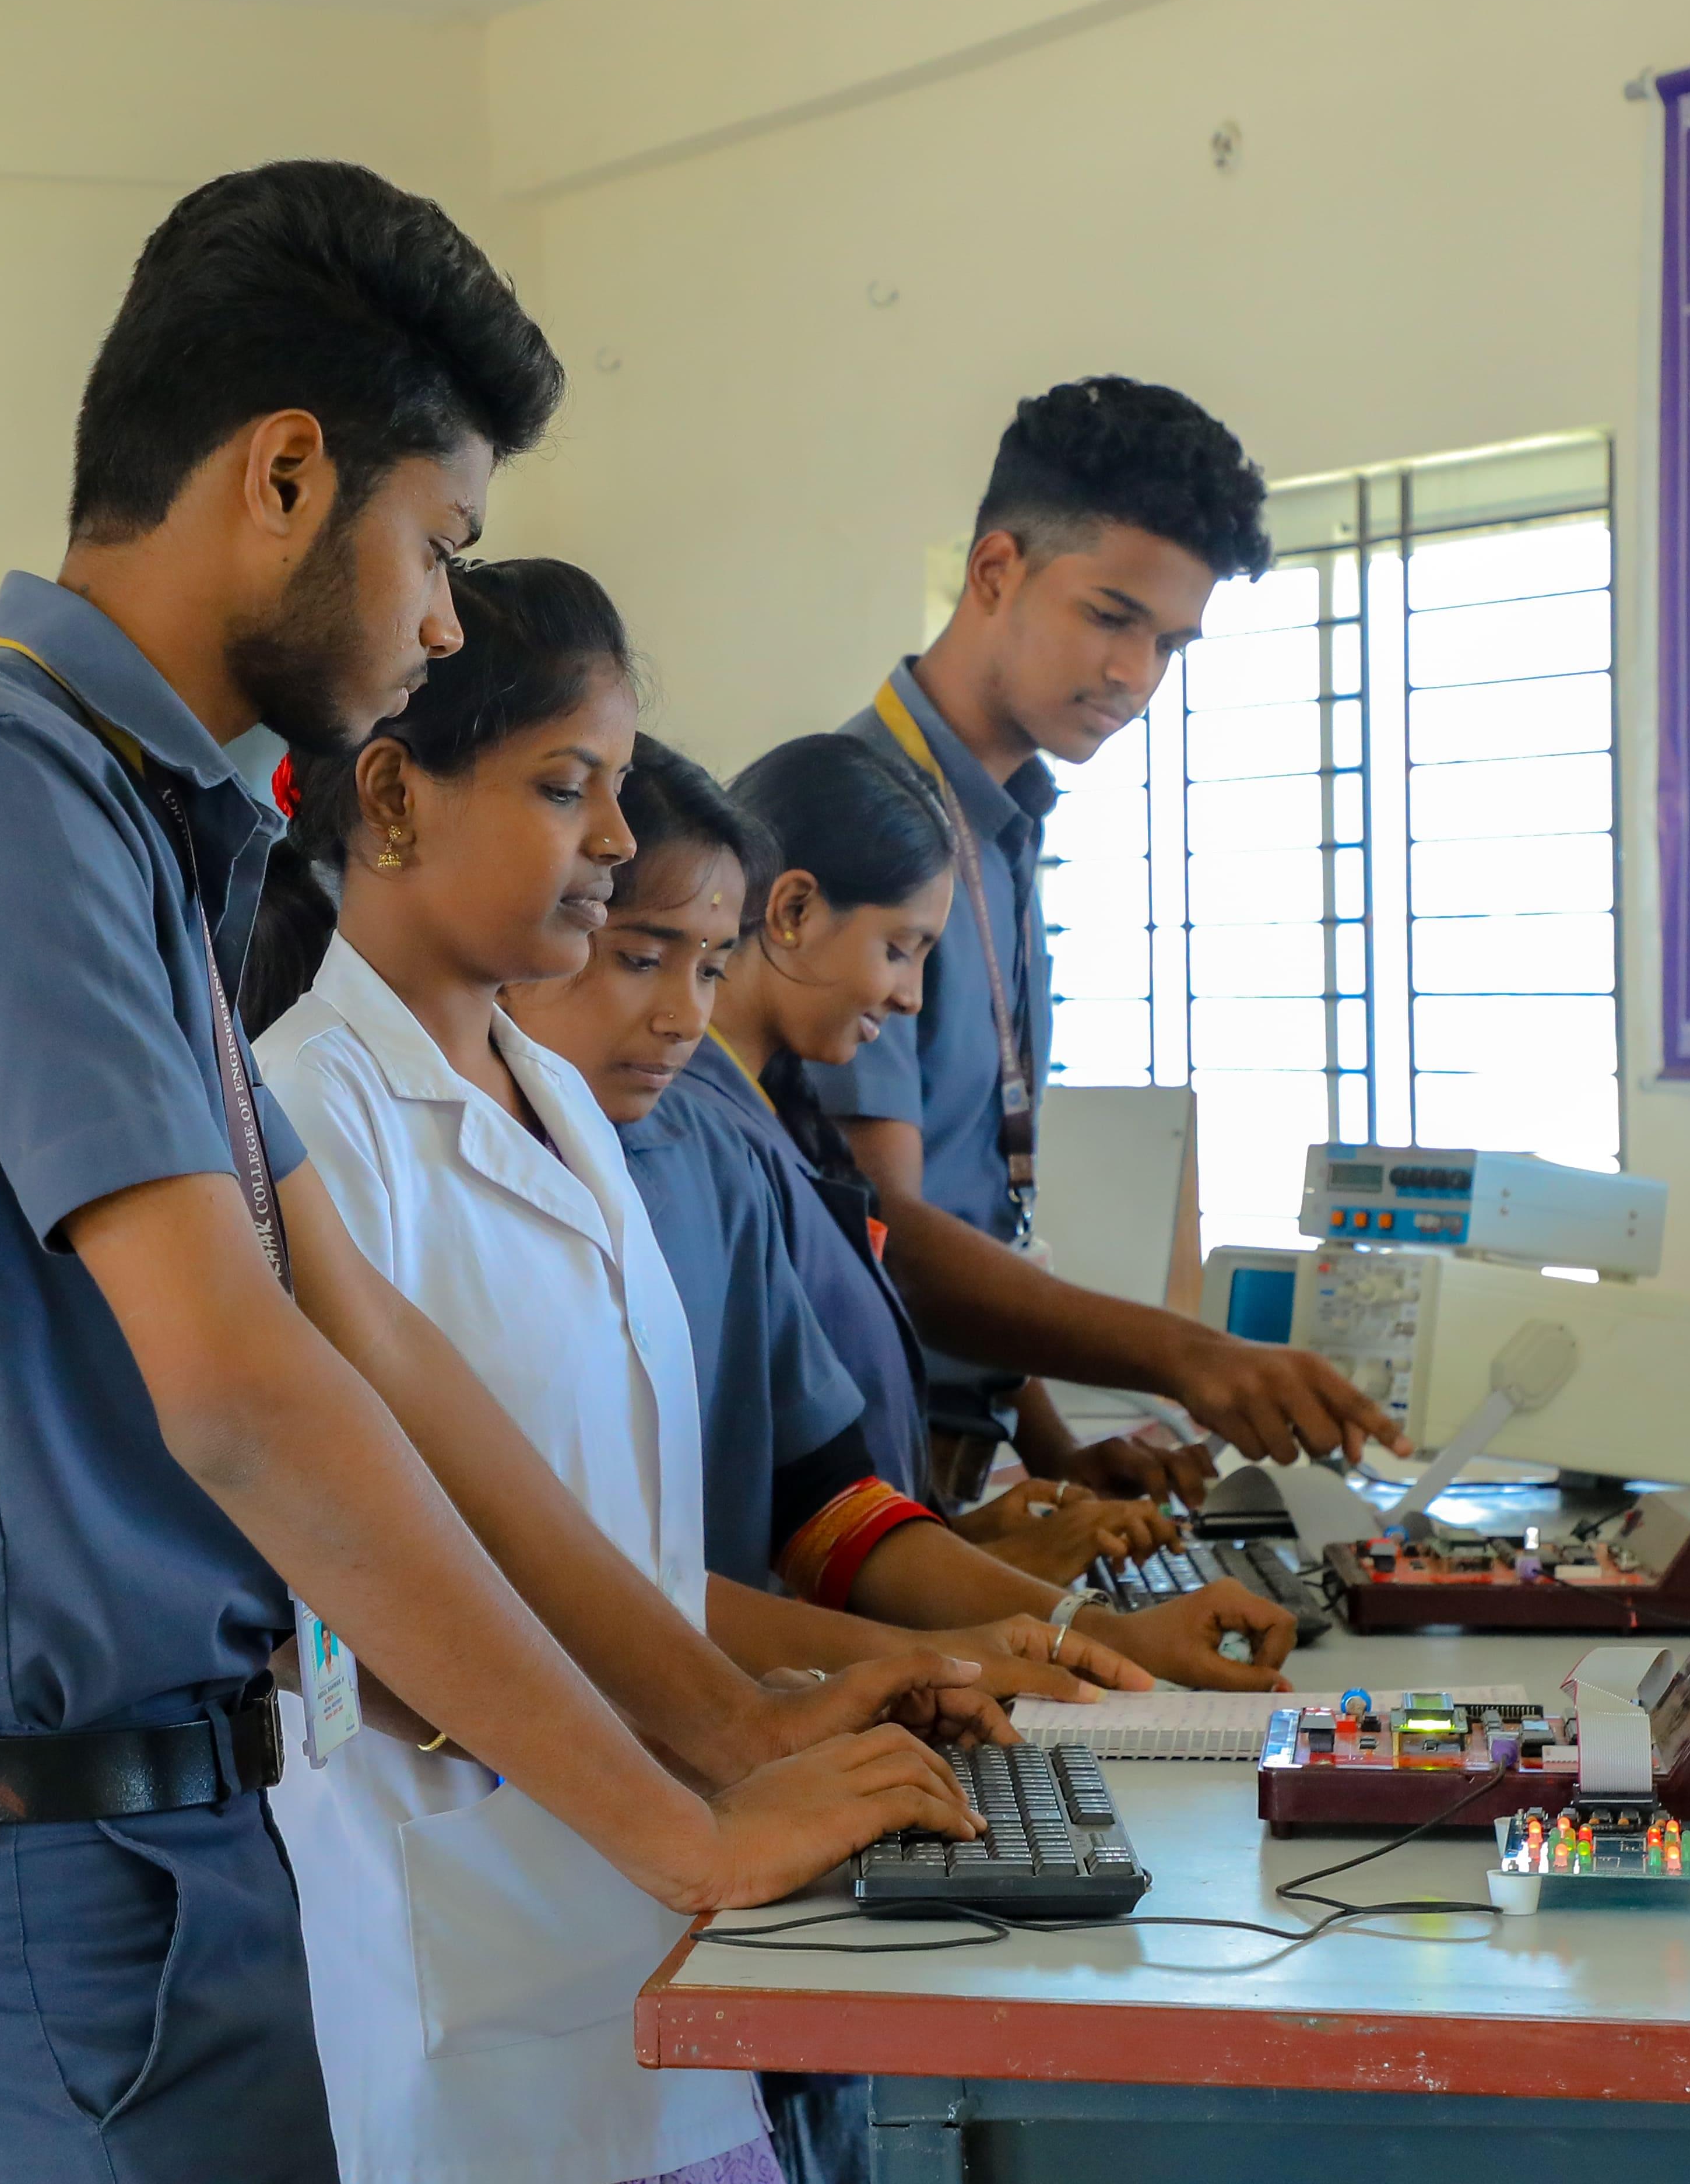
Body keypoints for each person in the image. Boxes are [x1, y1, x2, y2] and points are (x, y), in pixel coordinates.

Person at [0, 161, 972, 2184]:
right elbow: (241, 1389)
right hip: (28, 1863)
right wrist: (676, 1823)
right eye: (437, 546)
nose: (445, 618)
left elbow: (362, 1340)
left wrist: (730, 1732)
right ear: (288, 478)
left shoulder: (148, 831)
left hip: (155, 1845)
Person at [243, 560, 1069, 2184]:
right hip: (473, 1971)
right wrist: (715, 1754)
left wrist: (766, 1708)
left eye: (620, 792)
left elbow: (614, 1547)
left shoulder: (568, 1111)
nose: (618, 842)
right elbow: (360, 1604)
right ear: (394, 798)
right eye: (570, 789)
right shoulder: (305, 1117)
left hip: (650, 1930)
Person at [521, 735, 1294, 1694]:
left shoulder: (715, 1159)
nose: (684, 1017)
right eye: (640, 957)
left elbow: (820, 1501)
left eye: (713, 969)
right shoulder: (497, 1164)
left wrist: (1069, 1627)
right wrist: (987, 1645)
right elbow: (570, 1586)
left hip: (743, 1701)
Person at [825, 377, 1396, 1508]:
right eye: (1111, 615)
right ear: (996, 571)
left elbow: (977, 1204)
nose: (1138, 674)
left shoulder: (1001, 826)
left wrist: (1057, 1449)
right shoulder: (860, 819)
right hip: (854, 1478)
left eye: (1171, 640)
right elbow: (885, 1237)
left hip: (952, 1454)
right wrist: (1188, 1354)